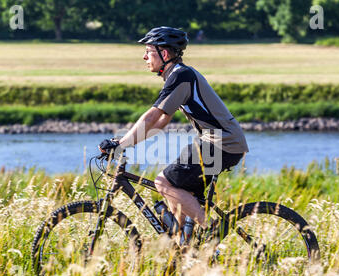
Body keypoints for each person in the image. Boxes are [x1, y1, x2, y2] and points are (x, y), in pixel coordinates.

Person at [99, 26, 249, 244]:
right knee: (177, 196)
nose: (144, 57)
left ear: (164, 54)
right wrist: (124, 144)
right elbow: (160, 123)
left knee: (163, 183)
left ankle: (211, 234)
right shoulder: (177, 76)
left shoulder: (181, 76)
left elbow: (152, 117)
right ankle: (185, 250)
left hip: (223, 143)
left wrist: (121, 143)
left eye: (148, 51)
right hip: (218, 142)